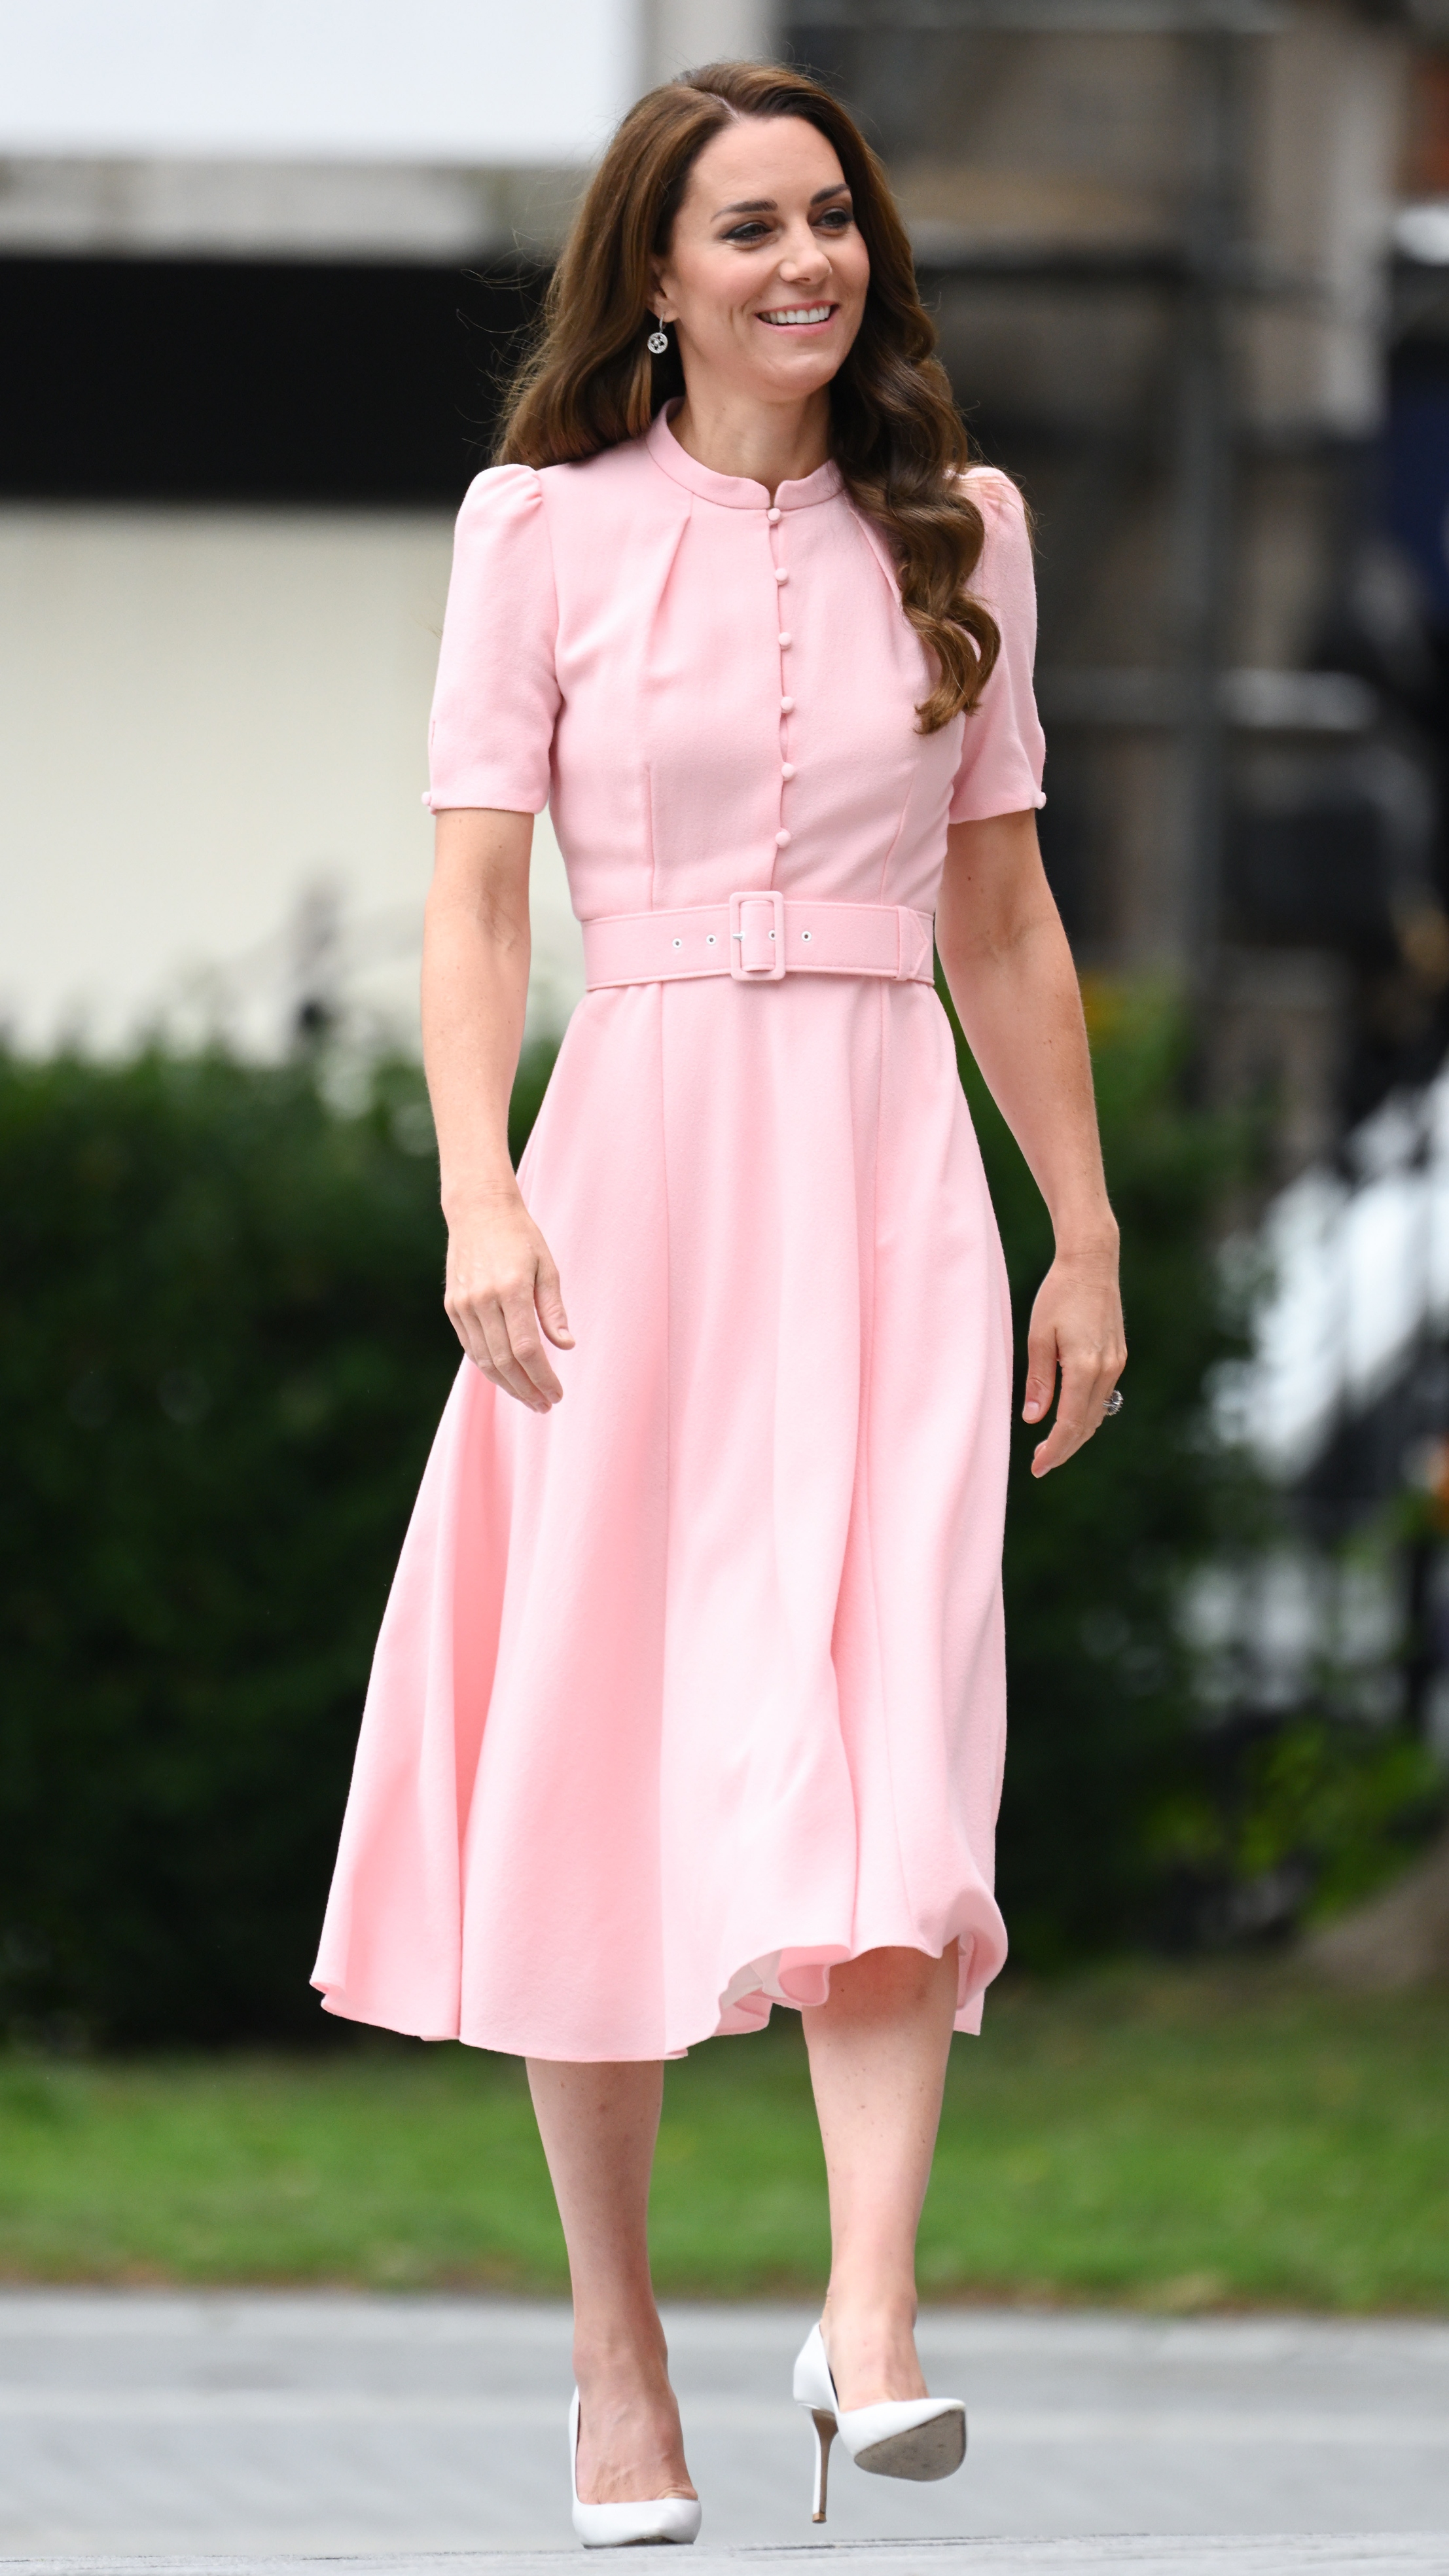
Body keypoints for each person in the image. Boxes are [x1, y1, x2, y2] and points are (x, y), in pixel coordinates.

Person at [312, 59, 1126, 2549]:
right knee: (605, 1749)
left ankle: (869, 2320)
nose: (807, 262)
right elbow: (475, 901)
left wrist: (1085, 1227)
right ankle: (617, 2355)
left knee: (895, 1733)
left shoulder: (965, 528)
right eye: (749, 227)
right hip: (633, 1177)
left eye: (833, 218)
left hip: (889, 1183)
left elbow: (1004, 915)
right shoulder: (540, 530)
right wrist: (480, 1194)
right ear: (654, 278)